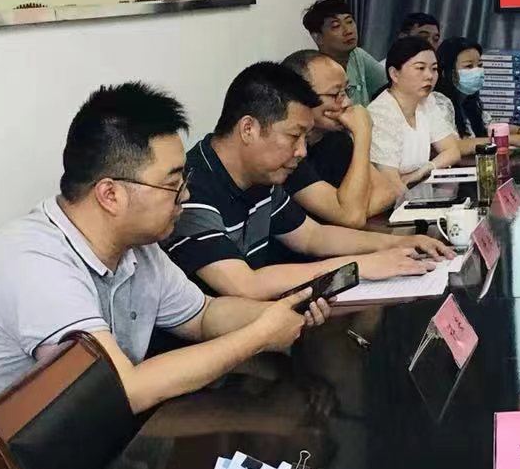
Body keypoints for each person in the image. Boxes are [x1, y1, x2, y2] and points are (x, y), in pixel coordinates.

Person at [0, 83, 337, 469]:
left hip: (77, 466)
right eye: (173, 184)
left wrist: (280, 313)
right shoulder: (36, 265)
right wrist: (260, 335)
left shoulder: (135, 246)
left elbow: (204, 314)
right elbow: (123, 390)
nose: (186, 196)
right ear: (110, 194)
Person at [167, 62, 447, 298]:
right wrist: (360, 266)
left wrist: (395, 244)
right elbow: (245, 284)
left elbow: (313, 236)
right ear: (248, 128)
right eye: (294, 136)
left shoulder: (262, 176)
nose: (302, 151)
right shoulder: (188, 190)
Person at [281, 49, 403, 228]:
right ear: (299, 97)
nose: (347, 103)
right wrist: (362, 133)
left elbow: (387, 193)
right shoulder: (288, 152)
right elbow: (352, 217)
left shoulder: (334, 138)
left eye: (346, 91)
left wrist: (350, 212)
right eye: (334, 95)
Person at [367, 35, 464, 183]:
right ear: (394, 74)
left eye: (434, 69)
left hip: (418, 188)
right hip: (391, 194)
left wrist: (423, 171)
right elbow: (390, 184)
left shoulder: (427, 101)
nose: (429, 76)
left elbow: (452, 151)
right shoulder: (380, 113)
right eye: (420, 68)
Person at [432, 36, 520, 152]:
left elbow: (491, 127)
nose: (477, 71)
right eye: (468, 66)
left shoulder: (471, 102)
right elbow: (454, 146)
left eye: (480, 65)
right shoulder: (438, 103)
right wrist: (510, 140)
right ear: (446, 72)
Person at [302, 0, 387, 106]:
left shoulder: (357, 55)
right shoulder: (313, 72)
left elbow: (388, 86)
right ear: (318, 38)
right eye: (336, 26)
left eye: (349, 22)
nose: (348, 31)